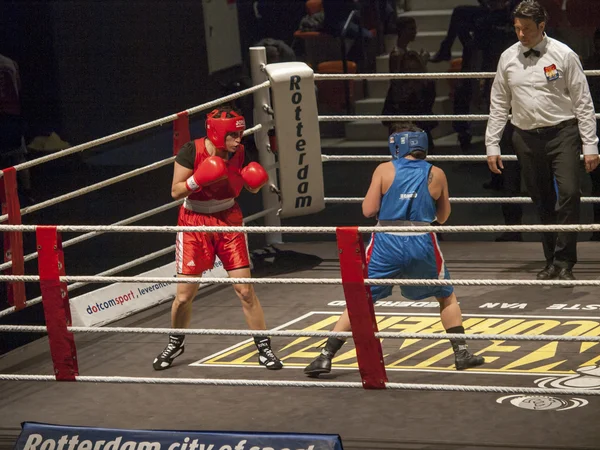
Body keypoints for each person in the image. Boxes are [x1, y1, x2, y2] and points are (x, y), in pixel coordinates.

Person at [303, 123, 485, 377]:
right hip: (421, 240)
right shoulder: (437, 173)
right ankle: (462, 354)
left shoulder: (384, 169)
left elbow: (367, 211)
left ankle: (325, 357)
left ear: (397, 144)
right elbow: (443, 218)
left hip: (385, 241)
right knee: (446, 296)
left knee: (362, 299)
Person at [153, 106, 283, 371]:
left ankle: (263, 346)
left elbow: (247, 184)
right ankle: (176, 341)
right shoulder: (191, 151)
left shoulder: (241, 152)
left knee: (245, 290)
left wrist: (254, 183)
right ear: (217, 134)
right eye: (233, 136)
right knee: (183, 297)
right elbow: (176, 191)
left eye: (240, 135)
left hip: (228, 219)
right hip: (194, 223)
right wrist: (197, 180)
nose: (239, 141)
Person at [485, 0, 599, 281]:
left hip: (563, 133)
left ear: (542, 26)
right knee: (542, 200)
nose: (521, 34)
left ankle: (565, 259)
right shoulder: (507, 58)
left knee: (570, 193)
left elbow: (583, 102)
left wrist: (590, 145)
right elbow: (499, 103)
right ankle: (552, 261)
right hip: (525, 136)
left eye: (526, 29)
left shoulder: (564, 55)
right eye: (517, 28)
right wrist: (492, 144)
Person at [585, 28, 600, 241]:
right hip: (595, 127)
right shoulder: (586, 65)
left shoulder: (586, 64)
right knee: (596, 182)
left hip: (594, 127)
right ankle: (598, 228)